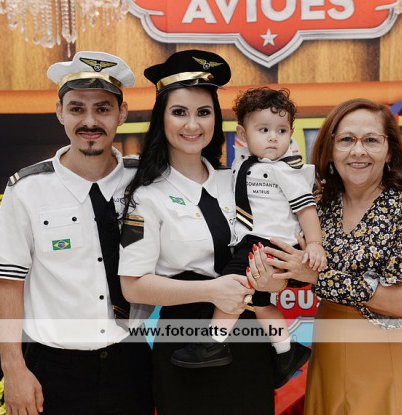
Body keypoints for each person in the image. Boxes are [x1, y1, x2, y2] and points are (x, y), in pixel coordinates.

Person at [250, 97, 402, 414]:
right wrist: (269, 277)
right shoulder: (317, 205)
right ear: (331, 148)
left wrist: (320, 277)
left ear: (389, 150)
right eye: (347, 140)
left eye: (371, 140)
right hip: (331, 346)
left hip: (391, 350)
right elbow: (293, 272)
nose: (358, 151)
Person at [0, 51, 154, 415]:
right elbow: (7, 285)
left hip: (133, 364)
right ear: (60, 112)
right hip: (54, 370)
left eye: (103, 109)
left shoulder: (146, 181)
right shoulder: (27, 189)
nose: (89, 121)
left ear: (122, 114)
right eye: (77, 108)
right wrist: (13, 369)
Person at [118, 50, 281, 414]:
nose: (192, 125)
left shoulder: (241, 182)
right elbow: (133, 285)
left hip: (249, 344)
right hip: (185, 345)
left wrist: (277, 277)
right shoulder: (146, 196)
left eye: (203, 112)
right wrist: (212, 290)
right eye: (180, 112)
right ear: (161, 118)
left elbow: (273, 249)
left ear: (215, 120)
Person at [171, 87, 325, 388]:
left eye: (281, 131)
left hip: (267, 243)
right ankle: (286, 352)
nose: (273, 138)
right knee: (261, 302)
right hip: (253, 241)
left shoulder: (285, 171)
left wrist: (315, 243)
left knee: (232, 287)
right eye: (263, 130)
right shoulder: (243, 163)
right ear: (242, 133)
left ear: (291, 134)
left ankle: (214, 343)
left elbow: (306, 208)